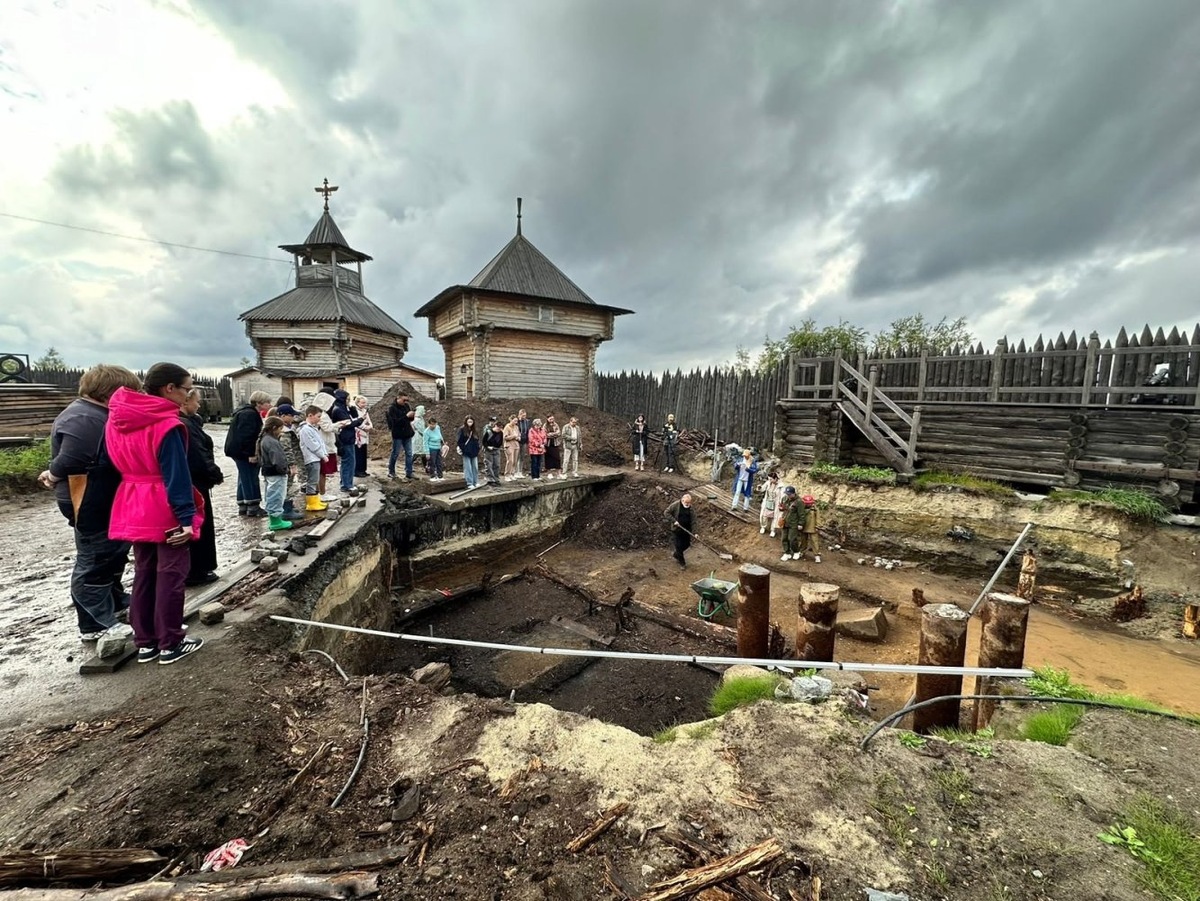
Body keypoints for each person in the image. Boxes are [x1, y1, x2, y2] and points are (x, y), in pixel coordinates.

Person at [106, 362, 204, 665]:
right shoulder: (166, 424)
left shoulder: (116, 420)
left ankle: (145, 640)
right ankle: (170, 642)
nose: (187, 395)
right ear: (169, 388)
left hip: (132, 500)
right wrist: (186, 518)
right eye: (186, 389)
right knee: (171, 574)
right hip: (162, 504)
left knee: (144, 572)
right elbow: (176, 475)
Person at [39, 364, 141, 642]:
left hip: (101, 497)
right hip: (88, 500)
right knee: (95, 559)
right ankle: (95, 623)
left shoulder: (95, 413)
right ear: (110, 392)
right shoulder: (82, 418)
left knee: (113, 552)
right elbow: (73, 458)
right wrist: (53, 473)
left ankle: (115, 601)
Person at [180, 388, 224, 585]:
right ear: (185, 401)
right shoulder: (185, 425)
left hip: (195, 481)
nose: (199, 405)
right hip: (195, 483)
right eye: (196, 401)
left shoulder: (190, 422)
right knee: (200, 526)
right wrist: (214, 473)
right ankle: (197, 570)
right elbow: (198, 455)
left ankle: (200, 568)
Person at [224, 390, 271, 516]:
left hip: (237, 450)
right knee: (250, 476)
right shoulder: (249, 414)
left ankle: (243, 504)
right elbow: (247, 436)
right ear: (259, 403)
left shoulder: (245, 412)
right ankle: (253, 505)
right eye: (267, 402)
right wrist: (251, 453)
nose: (269, 405)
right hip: (243, 451)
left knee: (243, 476)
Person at [256, 416, 293, 531]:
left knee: (271, 494)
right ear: (274, 428)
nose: (281, 431)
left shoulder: (264, 439)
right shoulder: (271, 441)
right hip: (276, 473)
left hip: (268, 472)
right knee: (276, 495)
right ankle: (276, 521)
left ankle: (275, 519)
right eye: (280, 428)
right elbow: (278, 459)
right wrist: (285, 470)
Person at [274, 403, 305, 521]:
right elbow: (286, 449)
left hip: (285, 463)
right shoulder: (284, 431)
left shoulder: (285, 427)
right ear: (283, 416)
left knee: (287, 485)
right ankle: (286, 511)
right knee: (286, 486)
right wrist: (292, 464)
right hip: (285, 464)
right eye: (291, 415)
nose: (293, 418)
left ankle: (287, 507)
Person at [330, 389, 363, 493]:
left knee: (350, 462)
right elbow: (348, 424)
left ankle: (346, 483)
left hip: (349, 438)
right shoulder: (338, 410)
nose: (349, 401)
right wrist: (360, 420)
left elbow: (352, 417)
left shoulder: (344, 408)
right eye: (347, 399)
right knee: (348, 462)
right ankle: (346, 485)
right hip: (344, 439)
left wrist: (352, 409)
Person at [298, 405, 329, 511]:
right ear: (310, 415)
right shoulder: (305, 429)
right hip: (311, 458)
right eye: (318, 416)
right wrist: (322, 455)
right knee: (312, 480)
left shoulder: (312, 428)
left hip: (315, 458)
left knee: (315, 480)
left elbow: (320, 443)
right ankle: (311, 503)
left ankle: (316, 500)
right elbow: (313, 445)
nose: (320, 419)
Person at [310, 391, 339, 497]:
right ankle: (321, 493)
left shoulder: (320, 414)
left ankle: (320, 492)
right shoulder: (321, 415)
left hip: (325, 445)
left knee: (322, 472)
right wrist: (339, 424)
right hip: (324, 446)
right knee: (322, 472)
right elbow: (327, 427)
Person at [386, 393, 416, 480]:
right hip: (398, 434)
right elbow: (395, 423)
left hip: (407, 433)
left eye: (407, 400)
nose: (405, 402)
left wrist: (412, 416)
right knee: (395, 453)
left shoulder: (406, 406)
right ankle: (391, 471)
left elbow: (409, 420)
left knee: (409, 453)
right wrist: (406, 416)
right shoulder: (392, 408)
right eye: (404, 400)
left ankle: (409, 472)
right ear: (398, 398)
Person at [664, 492, 694, 569]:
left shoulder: (690, 508)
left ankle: (676, 554)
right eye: (686, 502)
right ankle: (682, 563)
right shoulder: (676, 505)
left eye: (689, 503)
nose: (687, 504)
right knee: (679, 546)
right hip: (677, 530)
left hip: (686, 530)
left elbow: (694, 520)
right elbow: (666, 513)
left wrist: (695, 532)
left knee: (687, 545)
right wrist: (674, 521)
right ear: (682, 500)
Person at [456, 416, 481, 488]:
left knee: (475, 467)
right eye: (469, 422)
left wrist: (477, 449)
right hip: (466, 451)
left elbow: (477, 440)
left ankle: (475, 481)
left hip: (474, 451)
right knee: (468, 467)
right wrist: (463, 449)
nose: (470, 423)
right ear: (466, 422)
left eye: (471, 422)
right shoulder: (462, 429)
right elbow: (459, 441)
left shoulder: (475, 430)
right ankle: (469, 483)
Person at [797, 494, 822, 563]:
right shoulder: (801, 508)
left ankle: (817, 555)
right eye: (807, 503)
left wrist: (818, 526)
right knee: (803, 541)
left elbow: (818, 518)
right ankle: (801, 551)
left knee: (814, 541)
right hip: (804, 526)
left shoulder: (815, 509)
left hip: (812, 527)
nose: (808, 505)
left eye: (809, 503)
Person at [353, 395, 373, 478]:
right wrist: (365, 428)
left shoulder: (365, 411)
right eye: (362, 403)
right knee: (358, 453)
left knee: (363, 453)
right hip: (358, 433)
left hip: (365, 433)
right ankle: (357, 471)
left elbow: (369, 420)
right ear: (357, 402)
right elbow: (356, 422)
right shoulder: (354, 410)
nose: (364, 404)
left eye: (365, 403)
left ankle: (363, 470)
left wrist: (370, 426)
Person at [758, 471, 782, 538]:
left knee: (775, 517)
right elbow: (763, 488)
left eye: (771, 479)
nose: (770, 480)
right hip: (767, 501)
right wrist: (760, 488)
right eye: (769, 479)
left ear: (775, 479)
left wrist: (781, 503)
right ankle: (763, 527)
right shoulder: (768, 483)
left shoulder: (781, 486)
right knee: (764, 515)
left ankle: (773, 530)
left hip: (776, 503)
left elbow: (782, 495)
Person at [779, 487, 800, 561]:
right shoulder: (786, 499)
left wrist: (801, 523)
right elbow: (783, 508)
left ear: (793, 494)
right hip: (785, 521)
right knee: (784, 538)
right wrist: (781, 508)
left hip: (793, 523)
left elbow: (802, 514)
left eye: (789, 494)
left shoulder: (799, 502)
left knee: (792, 539)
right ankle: (787, 552)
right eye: (787, 494)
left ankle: (796, 551)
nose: (788, 495)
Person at [483, 416, 504, 486]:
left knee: (497, 465)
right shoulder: (488, 432)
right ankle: (490, 479)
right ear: (495, 426)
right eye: (498, 428)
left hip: (496, 450)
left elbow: (500, 442)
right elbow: (484, 442)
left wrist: (497, 446)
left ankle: (496, 478)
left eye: (500, 429)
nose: (499, 430)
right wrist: (488, 446)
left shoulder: (500, 433)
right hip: (488, 450)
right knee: (489, 464)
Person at [423, 416, 445, 481]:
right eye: (431, 424)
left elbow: (440, 435)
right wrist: (427, 453)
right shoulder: (426, 432)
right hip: (431, 448)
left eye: (434, 424)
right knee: (432, 462)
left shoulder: (437, 428)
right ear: (429, 424)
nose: (433, 426)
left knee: (439, 462)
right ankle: (432, 476)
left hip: (438, 447)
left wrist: (443, 442)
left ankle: (440, 476)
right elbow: (425, 443)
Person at [544, 415, 562, 479]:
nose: (552, 420)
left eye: (553, 419)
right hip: (548, 444)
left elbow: (558, 433)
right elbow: (545, 434)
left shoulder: (556, 425)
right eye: (550, 419)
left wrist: (552, 434)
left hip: (555, 443)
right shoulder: (545, 425)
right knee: (548, 458)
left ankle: (559, 473)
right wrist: (553, 434)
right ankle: (549, 473)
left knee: (557, 458)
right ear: (547, 419)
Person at [502, 414, 521, 480]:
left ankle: (512, 473)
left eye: (517, 421)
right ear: (511, 420)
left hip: (516, 445)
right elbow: (505, 437)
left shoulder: (516, 427)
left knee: (515, 460)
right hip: (509, 445)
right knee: (510, 460)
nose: (516, 422)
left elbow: (518, 435)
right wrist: (513, 436)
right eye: (515, 421)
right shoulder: (507, 427)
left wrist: (518, 437)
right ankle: (507, 474)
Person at [411, 403, 427, 474]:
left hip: (421, 438)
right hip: (418, 437)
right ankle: (408, 466)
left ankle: (426, 467)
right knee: (416, 453)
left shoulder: (420, 419)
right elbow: (421, 429)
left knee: (423, 454)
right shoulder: (417, 420)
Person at [516, 409, 531, 478]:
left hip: (524, 441)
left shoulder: (527, 422)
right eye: (522, 415)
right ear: (519, 415)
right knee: (516, 456)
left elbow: (528, 431)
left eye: (525, 415)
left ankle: (520, 471)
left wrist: (528, 441)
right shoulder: (517, 422)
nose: (524, 417)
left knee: (522, 457)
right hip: (517, 441)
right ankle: (515, 472)